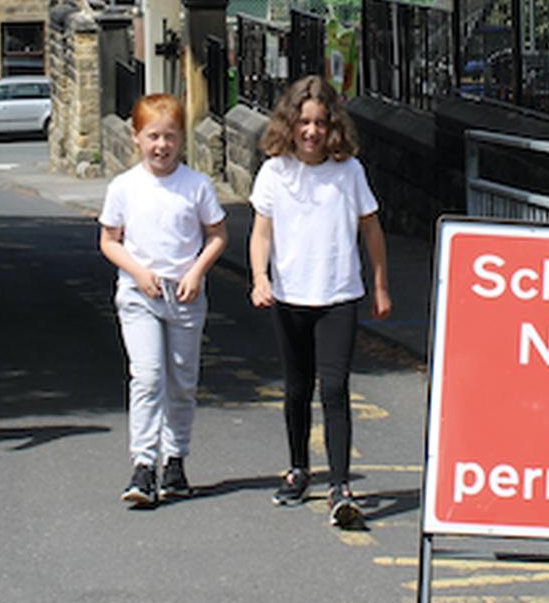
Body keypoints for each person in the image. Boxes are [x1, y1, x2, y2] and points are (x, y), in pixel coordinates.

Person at [249, 74, 390, 528]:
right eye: (303, 122)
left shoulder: (348, 171)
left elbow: (371, 229)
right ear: (289, 123)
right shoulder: (274, 171)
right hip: (290, 295)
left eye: (321, 123)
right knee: (296, 388)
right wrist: (258, 277)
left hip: (338, 294)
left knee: (334, 389)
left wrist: (382, 285)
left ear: (334, 127)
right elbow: (261, 232)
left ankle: (341, 485)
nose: (311, 132)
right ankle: (297, 470)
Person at [99, 93, 228, 509]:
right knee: (148, 376)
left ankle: (175, 461)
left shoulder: (196, 186)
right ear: (136, 138)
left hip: (185, 296)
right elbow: (109, 241)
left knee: (182, 381)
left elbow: (218, 235)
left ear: (181, 140)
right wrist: (137, 272)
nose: (161, 145)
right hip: (140, 294)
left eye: (169, 137)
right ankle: (143, 464)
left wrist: (196, 271)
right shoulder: (125, 188)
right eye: (153, 136)